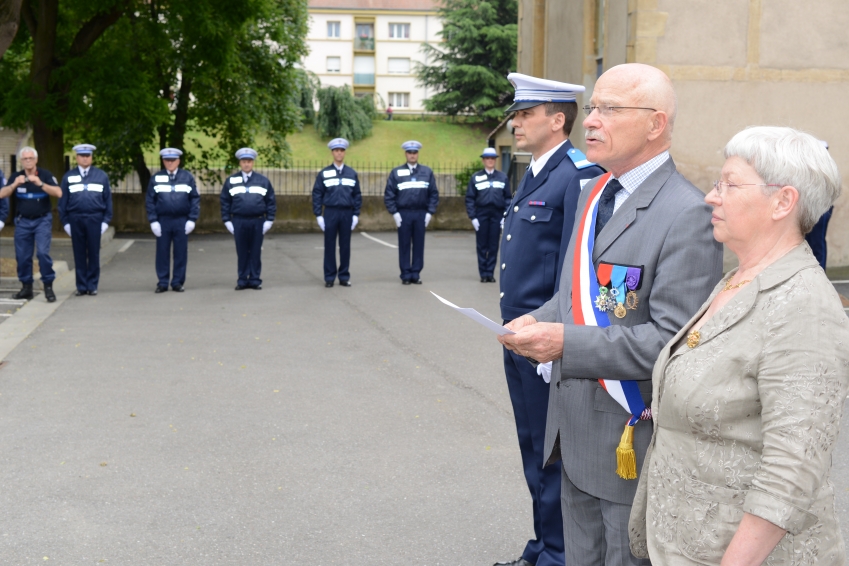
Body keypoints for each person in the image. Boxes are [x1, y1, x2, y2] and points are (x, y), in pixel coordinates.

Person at [498, 63, 723, 566]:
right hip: (572, 432)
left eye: (610, 109)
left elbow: (672, 339)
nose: (592, 121)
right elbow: (575, 298)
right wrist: (536, 320)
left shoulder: (686, 213)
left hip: (629, 439)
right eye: (594, 107)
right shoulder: (593, 193)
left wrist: (564, 344)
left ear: (655, 124)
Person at [629, 126, 848, 565]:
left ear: (783, 202)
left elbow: (792, 470)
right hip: (685, 542)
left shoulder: (804, 307)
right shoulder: (739, 278)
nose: (712, 196)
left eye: (729, 184)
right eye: (716, 183)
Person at [495, 73, 605, 566]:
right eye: (516, 113)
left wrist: (555, 336)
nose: (514, 122)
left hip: (545, 341)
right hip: (518, 337)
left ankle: (559, 555)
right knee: (531, 446)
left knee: (551, 453)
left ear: (557, 119)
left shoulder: (577, 175)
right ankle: (542, 545)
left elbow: (572, 271)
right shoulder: (537, 169)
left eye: (525, 114)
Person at [0, 146, 62, 302]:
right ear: (21, 161)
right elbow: (2, 193)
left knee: (42, 253)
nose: (28, 161)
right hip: (23, 221)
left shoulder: (45, 175)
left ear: (36, 160)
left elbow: (58, 193)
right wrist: (15, 184)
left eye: (30, 158)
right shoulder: (16, 176)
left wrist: (40, 183)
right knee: (22, 256)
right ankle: (26, 287)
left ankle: (48, 285)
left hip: (42, 220)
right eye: (25, 159)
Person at [58, 144, 113, 296]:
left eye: (87, 155)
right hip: (75, 219)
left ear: (91, 157)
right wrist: (66, 223)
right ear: (77, 157)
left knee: (94, 253)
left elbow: (108, 200)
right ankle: (81, 286)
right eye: (82, 156)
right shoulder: (68, 176)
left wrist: (106, 221)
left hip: (95, 218)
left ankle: (92, 285)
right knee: (79, 253)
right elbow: (62, 202)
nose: (85, 158)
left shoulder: (101, 176)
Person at [145, 147, 200, 293]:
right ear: (163, 161)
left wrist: (192, 219)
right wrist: (153, 220)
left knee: (181, 252)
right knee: (162, 252)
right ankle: (162, 282)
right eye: (167, 160)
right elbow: (150, 200)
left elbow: (194, 199)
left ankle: (177, 282)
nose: (170, 163)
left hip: (181, 220)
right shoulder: (156, 178)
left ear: (178, 161)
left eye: (173, 160)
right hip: (163, 220)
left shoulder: (187, 177)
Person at [220, 147, 276, 291]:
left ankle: (255, 279)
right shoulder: (231, 181)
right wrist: (227, 220)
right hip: (238, 221)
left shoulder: (262, 181)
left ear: (253, 163)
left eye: (249, 161)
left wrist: (269, 220)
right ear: (240, 163)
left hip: (258, 221)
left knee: (256, 251)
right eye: (244, 161)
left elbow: (270, 201)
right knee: (242, 251)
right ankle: (242, 279)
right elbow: (225, 201)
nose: (246, 164)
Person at [384, 141, 439, 284]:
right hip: (404, 213)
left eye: (415, 152)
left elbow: (433, 193)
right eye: (410, 152)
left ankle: (416, 273)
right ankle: (405, 274)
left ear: (418, 154)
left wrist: (429, 212)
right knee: (404, 244)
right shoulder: (396, 172)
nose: (412, 155)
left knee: (419, 244)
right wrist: (394, 212)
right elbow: (389, 194)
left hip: (421, 213)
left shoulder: (427, 172)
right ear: (405, 154)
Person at [312, 138, 362, 287]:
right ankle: (329, 277)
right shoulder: (324, 173)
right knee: (329, 245)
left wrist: (355, 214)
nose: (339, 153)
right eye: (336, 151)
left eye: (341, 150)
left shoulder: (351, 173)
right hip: (330, 212)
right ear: (332, 153)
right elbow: (317, 194)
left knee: (345, 245)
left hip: (347, 213)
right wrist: (318, 215)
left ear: (344, 152)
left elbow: (357, 195)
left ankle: (344, 276)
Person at [465, 147, 511, 283]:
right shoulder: (476, 177)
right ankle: (482, 273)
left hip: (497, 214)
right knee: (481, 245)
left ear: (495, 160)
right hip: (481, 213)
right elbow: (469, 198)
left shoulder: (502, 177)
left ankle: (489, 273)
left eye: (492, 158)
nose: (490, 161)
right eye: (487, 158)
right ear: (483, 160)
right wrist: (472, 217)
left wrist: (505, 216)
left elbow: (508, 198)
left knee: (493, 245)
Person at [803, 139, 833, 269]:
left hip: (820, 209)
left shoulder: (824, 170)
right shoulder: (811, 168)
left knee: (817, 244)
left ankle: (819, 274)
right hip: (811, 209)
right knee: (812, 243)